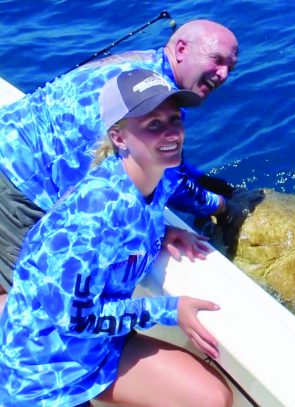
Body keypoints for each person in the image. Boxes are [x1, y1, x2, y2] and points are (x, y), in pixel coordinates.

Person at [0, 69, 233, 406]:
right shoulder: (94, 216)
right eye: (154, 124)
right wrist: (170, 309)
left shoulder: (158, 178)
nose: (172, 132)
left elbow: (139, 218)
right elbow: (79, 317)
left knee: (212, 396)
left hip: (99, 343)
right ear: (119, 137)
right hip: (46, 368)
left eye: (175, 118)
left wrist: (161, 230)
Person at [0, 19, 254, 291]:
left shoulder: (138, 68)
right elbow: (169, 182)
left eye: (231, 67)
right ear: (181, 49)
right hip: (19, 187)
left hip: (10, 143)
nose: (224, 74)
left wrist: (201, 177)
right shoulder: (152, 97)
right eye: (217, 60)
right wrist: (223, 207)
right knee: (36, 306)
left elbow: (161, 163)